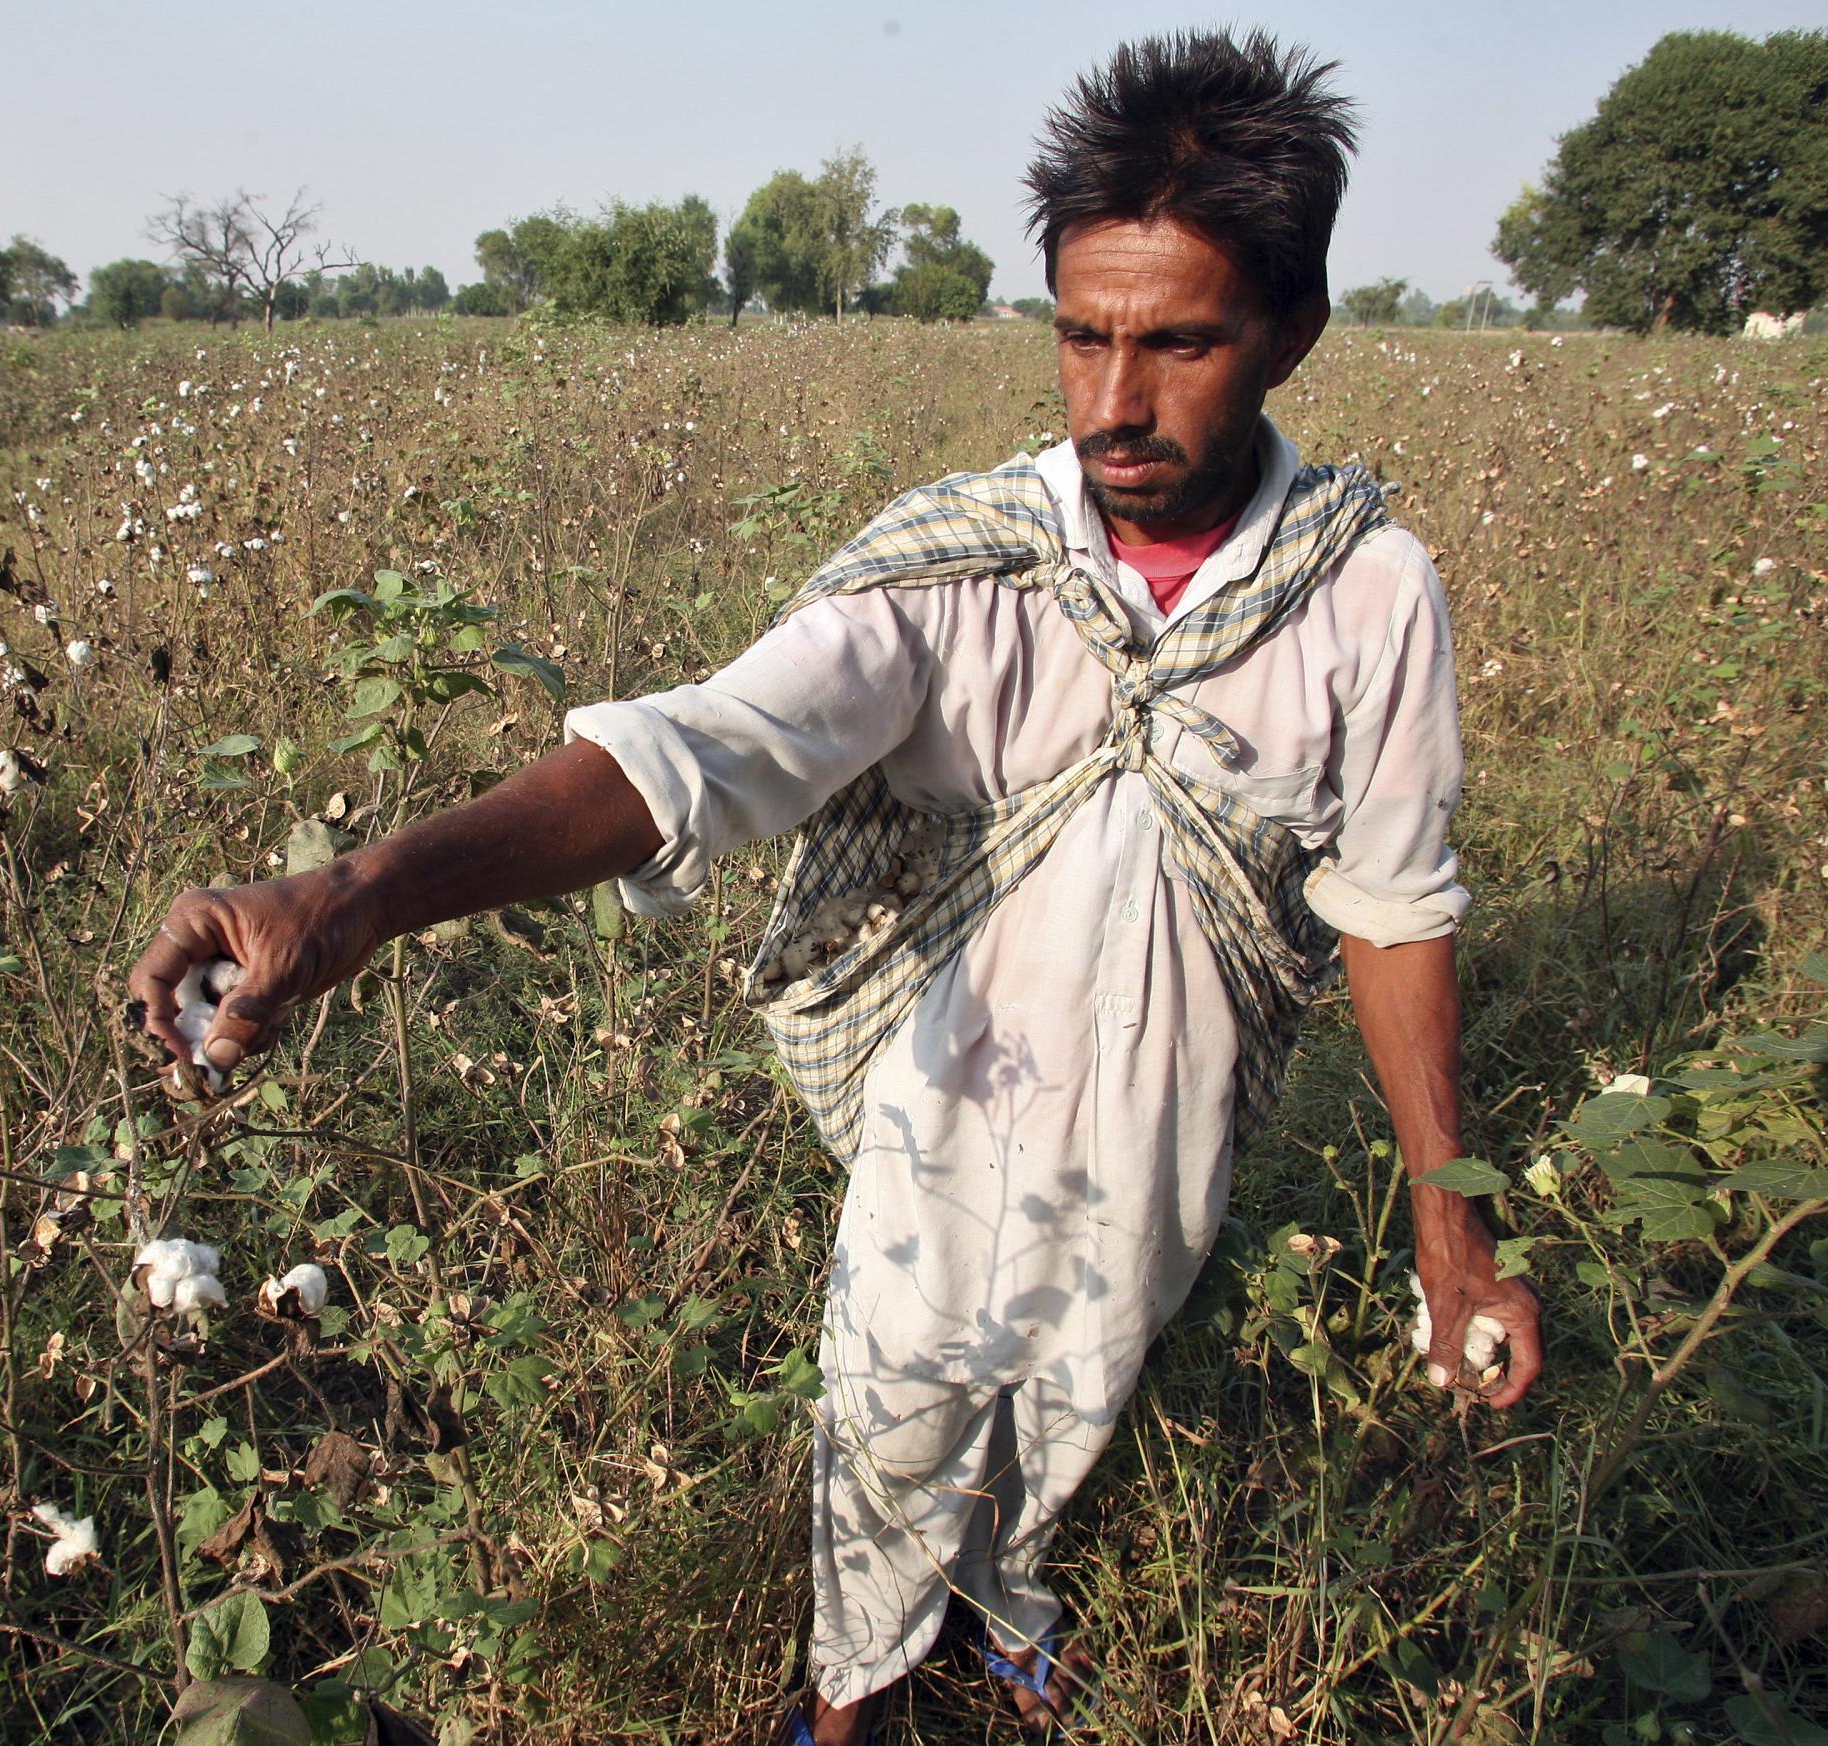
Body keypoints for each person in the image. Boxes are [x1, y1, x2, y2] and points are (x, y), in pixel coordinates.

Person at [131, 30, 1545, 1743]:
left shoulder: (1367, 593)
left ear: (1293, 332)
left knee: (1090, 1374)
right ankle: (854, 1684)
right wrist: (361, 891)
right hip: (945, 1095)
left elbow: (1394, 903)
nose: (1113, 401)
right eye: (1082, 336)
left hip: (1180, 1108)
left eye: (1177, 342)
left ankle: (1005, 1600)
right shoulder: (969, 567)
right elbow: (703, 747)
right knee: (893, 1392)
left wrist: (1446, 1229)